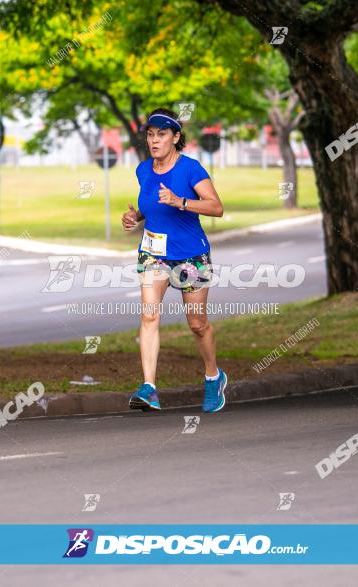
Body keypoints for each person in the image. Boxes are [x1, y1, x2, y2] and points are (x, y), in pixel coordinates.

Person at [121, 108, 227, 412]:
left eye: (162, 134)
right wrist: (135, 216)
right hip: (153, 253)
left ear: (176, 137)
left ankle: (213, 376)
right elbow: (149, 206)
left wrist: (181, 202)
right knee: (149, 316)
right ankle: (149, 388)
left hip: (190, 255)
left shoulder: (191, 169)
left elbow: (216, 207)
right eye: (150, 135)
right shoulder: (143, 170)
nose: (154, 140)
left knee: (197, 324)